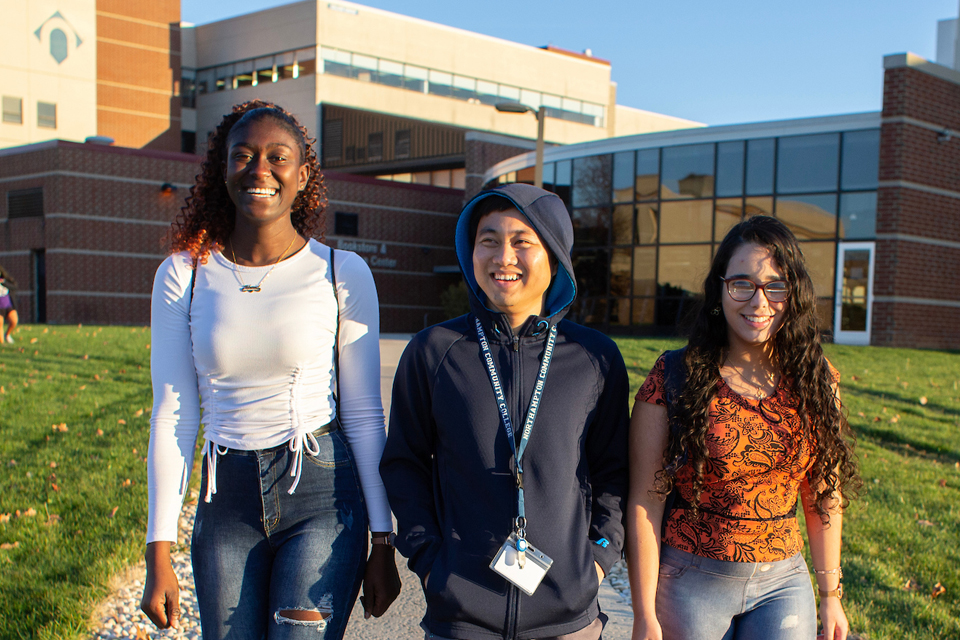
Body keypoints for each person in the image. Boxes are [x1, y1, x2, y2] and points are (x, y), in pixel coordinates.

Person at [141, 100, 400, 639]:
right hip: (225, 503)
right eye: (244, 156)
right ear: (224, 169)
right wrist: (157, 550)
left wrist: (382, 540)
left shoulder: (340, 273)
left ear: (302, 175)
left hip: (321, 496)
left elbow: (364, 414)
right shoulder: (184, 275)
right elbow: (172, 416)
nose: (260, 170)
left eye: (277, 157)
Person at [380, 183, 629, 640]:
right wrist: (431, 563)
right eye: (488, 241)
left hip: (567, 617)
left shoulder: (594, 357)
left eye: (522, 242)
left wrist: (597, 558)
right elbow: (403, 465)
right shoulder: (434, 352)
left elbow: (614, 470)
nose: (503, 257)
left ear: (553, 256)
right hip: (462, 616)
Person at [626, 215, 860, 640]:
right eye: (742, 284)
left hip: (783, 585)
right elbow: (645, 501)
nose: (759, 302)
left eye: (776, 286)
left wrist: (830, 594)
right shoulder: (674, 376)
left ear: (794, 294)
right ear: (720, 290)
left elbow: (824, 493)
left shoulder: (818, 379)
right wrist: (643, 615)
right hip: (691, 583)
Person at [0, 265, 18, 344]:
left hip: (8, 304)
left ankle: (7, 335)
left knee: (14, 321)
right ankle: (2, 344)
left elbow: (14, 287)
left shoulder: (5, 280)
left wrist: (4, 282)